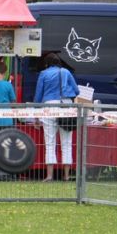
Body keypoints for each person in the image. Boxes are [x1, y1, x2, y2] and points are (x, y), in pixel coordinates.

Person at [33, 52, 79, 182]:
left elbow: (38, 96)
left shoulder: (43, 74)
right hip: (66, 107)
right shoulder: (66, 72)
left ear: (46, 64)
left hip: (49, 107)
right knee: (67, 142)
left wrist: (36, 116)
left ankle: (49, 176)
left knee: (50, 142)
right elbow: (76, 91)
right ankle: (66, 176)